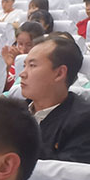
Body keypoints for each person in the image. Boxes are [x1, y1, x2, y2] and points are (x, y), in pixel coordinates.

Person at [19, 35, 90, 163]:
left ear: (59, 73)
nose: (22, 74)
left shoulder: (83, 120)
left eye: (32, 65)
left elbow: (64, 172)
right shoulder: (13, 111)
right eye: (24, 65)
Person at [1, 21, 45, 90]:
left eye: (29, 45)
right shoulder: (12, 59)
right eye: (20, 44)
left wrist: (22, 62)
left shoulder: (41, 65)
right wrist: (7, 66)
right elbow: (1, 89)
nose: (23, 49)